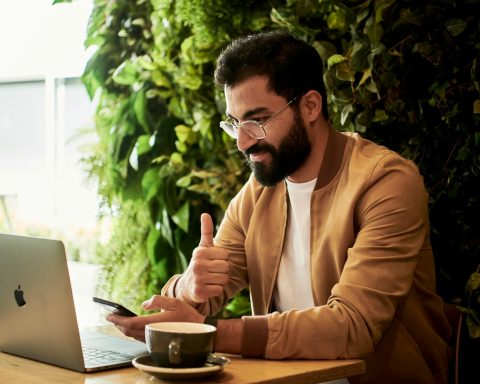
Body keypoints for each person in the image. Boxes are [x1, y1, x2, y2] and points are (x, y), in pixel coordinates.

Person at [107, 30, 452, 384]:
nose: (243, 141)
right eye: (235, 123)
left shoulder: (385, 182)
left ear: (311, 106)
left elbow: (353, 326)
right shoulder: (260, 192)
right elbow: (197, 302)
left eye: (257, 121)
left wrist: (210, 332)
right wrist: (190, 288)